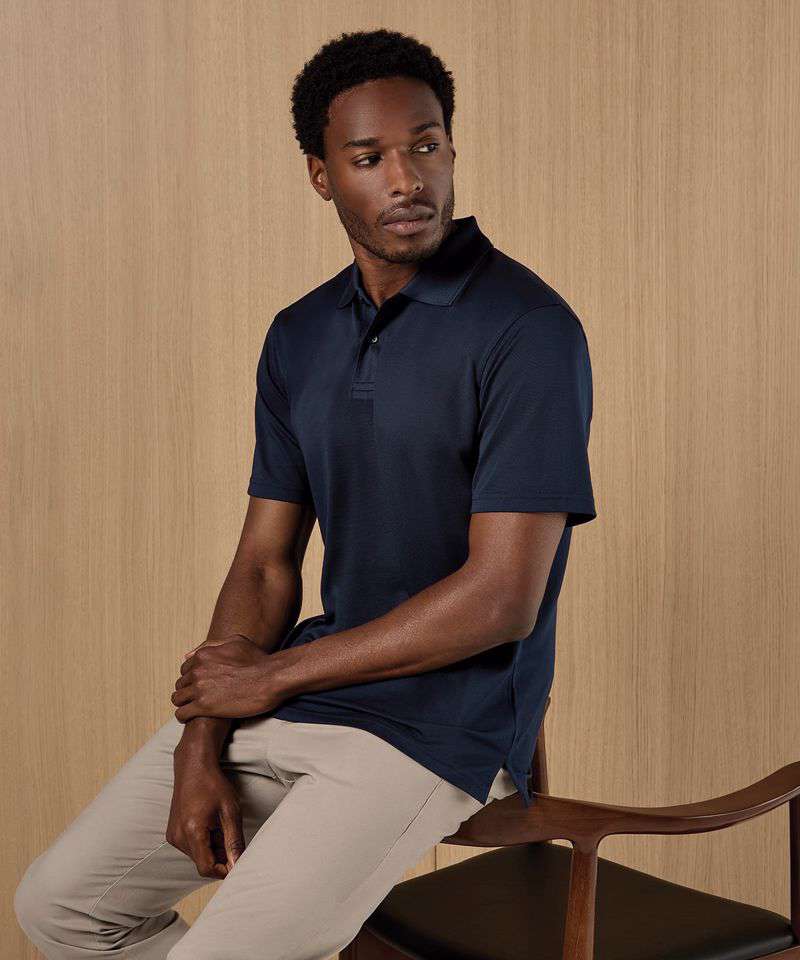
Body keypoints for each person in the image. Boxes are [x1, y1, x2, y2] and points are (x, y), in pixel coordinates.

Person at [14, 26, 597, 960]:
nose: (406, 179)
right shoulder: (301, 334)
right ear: (323, 176)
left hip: (442, 728)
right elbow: (264, 562)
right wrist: (202, 737)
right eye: (369, 158)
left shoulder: (528, 329)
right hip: (307, 698)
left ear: (452, 149)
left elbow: (501, 600)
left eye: (426, 146)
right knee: (61, 907)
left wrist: (271, 676)